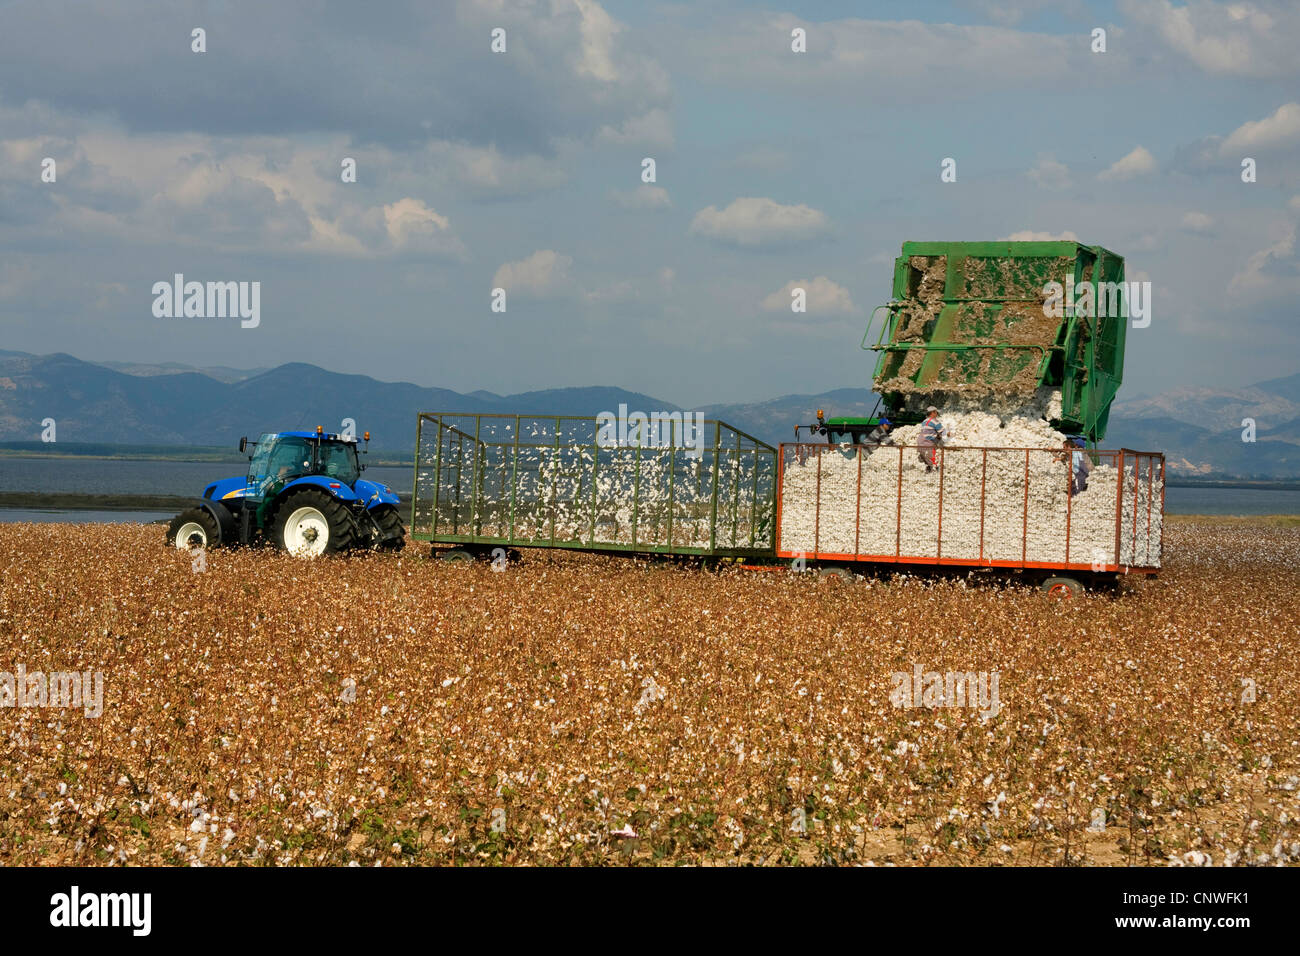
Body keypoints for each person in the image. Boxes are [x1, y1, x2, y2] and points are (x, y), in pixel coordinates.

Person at [917, 406, 949, 472]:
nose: (937, 414)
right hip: (928, 442)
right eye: (936, 412)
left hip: (920, 442)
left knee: (926, 460)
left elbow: (929, 431)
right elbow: (942, 431)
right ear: (933, 413)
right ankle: (934, 471)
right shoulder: (935, 421)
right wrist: (950, 434)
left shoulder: (924, 421)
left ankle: (927, 469)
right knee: (932, 459)